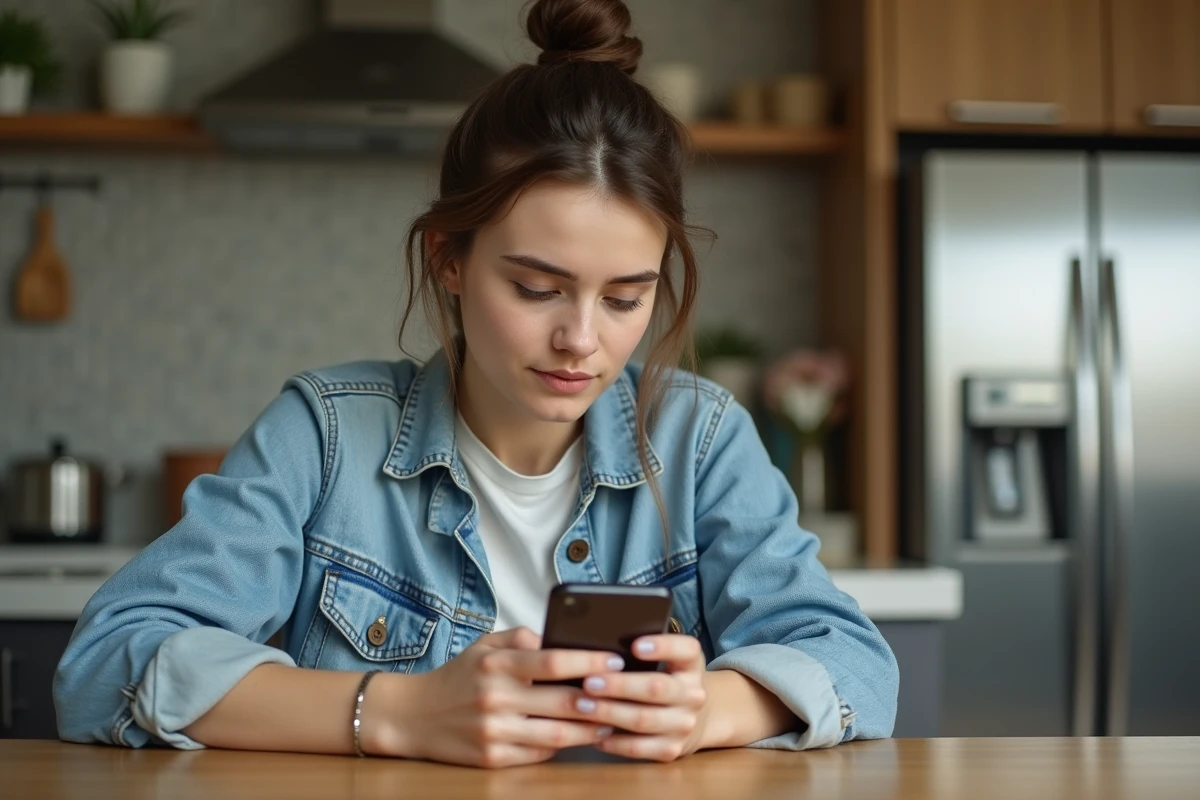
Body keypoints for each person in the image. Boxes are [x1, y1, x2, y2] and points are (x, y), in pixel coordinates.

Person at [53, 0, 898, 768]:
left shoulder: (700, 439)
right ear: (448, 260)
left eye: (625, 297)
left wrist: (710, 706)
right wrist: (396, 713)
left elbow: (856, 664)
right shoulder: (326, 434)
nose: (581, 339)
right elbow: (104, 665)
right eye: (536, 289)